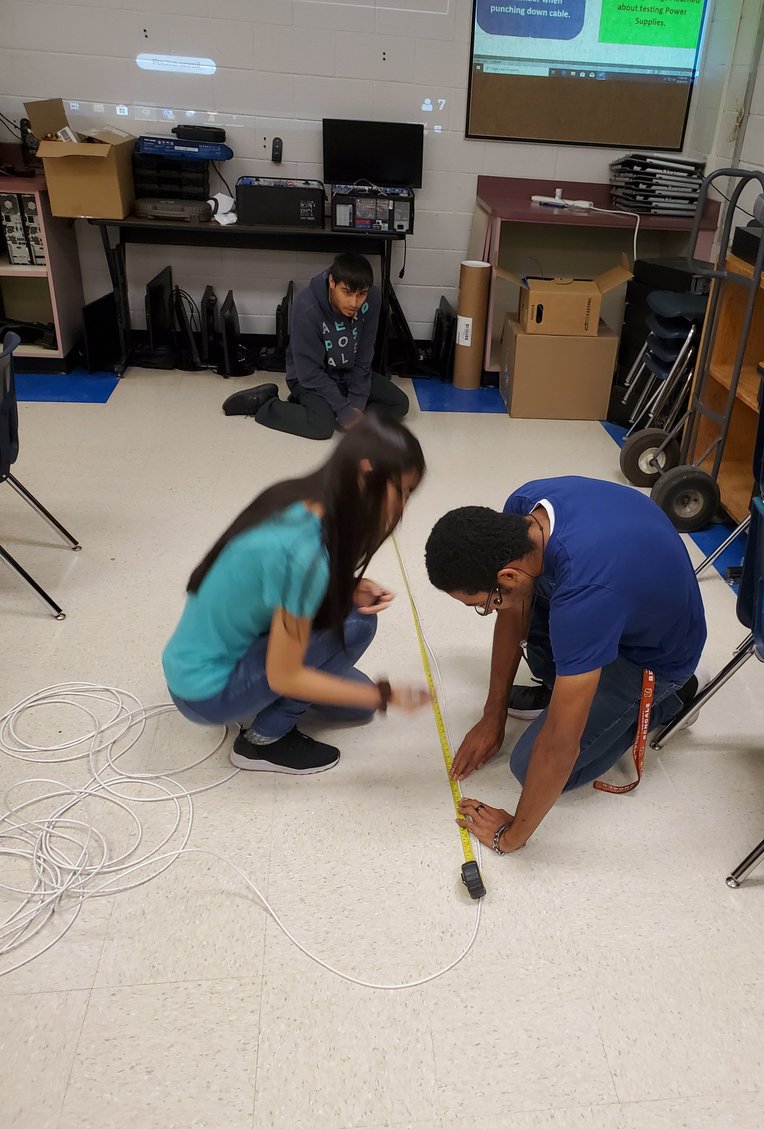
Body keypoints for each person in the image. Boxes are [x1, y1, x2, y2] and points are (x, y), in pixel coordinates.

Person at [424, 475, 707, 853]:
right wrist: (493, 716)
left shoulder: (585, 595)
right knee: (537, 609)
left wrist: (510, 837)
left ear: (506, 575)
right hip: (617, 600)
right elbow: (513, 612)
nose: (488, 610)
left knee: (529, 766)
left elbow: (561, 746)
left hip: (656, 653)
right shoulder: (523, 509)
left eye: (484, 602)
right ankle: (577, 678)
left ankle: (677, 696)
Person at [163, 413, 430, 774]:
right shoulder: (303, 557)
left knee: (357, 706)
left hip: (192, 664)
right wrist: (388, 695)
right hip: (206, 692)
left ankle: (274, 701)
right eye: (403, 491)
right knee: (358, 628)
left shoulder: (297, 497)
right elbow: (284, 676)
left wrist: (345, 588)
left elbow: (270, 581)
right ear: (366, 475)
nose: (403, 505)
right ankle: (262, 742)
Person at [222, 253, 409, 440]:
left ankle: (313, 406)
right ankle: (266, 405)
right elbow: (310, 373)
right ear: (332, 283)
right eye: (347, 292)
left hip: (348, 373)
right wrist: (344, 411)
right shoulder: (306, 306)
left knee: (399, 404)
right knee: (321, 426)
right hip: (308, 378)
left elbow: (364, 355)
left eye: (361, 294)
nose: (354, 303)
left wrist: (356, 404)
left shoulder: (372, 299)